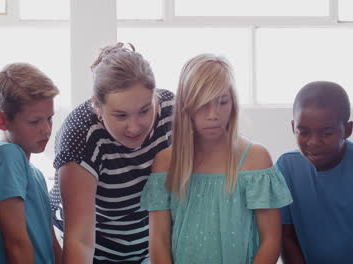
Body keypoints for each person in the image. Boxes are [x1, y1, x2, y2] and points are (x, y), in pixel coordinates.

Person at [141, 54, 293, 264]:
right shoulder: (166, 162)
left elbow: (271, 241)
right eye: (203, 104)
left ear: (233, 103)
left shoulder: (255, 159)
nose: (213, 114)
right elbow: (158, 241)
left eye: (223, 102)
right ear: (186, 106)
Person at [49, 42, 174, 264]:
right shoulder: (80, 135)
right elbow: (80, 240)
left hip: (149, 247)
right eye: (120, 116)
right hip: (94, 251)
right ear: (97, 106)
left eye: (145, 110)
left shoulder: (171, 112)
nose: (134, 127)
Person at [0, 63, 61, 264]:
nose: (46, 130)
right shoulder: (6, 157)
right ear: (2, 121)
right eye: (34, 121)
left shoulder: (36, 174)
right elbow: (16, 243)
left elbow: (52, 243)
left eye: (49, 119)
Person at [278, 81, 353, 264]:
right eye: (303, 132)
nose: (313, 142)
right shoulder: (286, 167)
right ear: (293, 127)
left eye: (326, 133)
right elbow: (285, 236)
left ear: (347, 130)